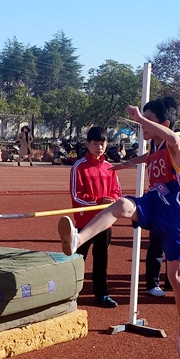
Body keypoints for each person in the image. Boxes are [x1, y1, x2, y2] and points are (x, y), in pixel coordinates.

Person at [57, 97, 180, 359]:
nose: (143, 126)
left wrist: (139, 118)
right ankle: (77, 239)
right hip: (154, 201)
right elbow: (151, 156)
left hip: (175, 214)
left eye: (149, 121)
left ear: (164, 124)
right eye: (143, 120)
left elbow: (173, 139)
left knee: (176, 278)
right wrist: (129, 163)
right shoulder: (155, 144)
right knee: (121, 204)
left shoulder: (175, 142)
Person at [67, 126, 122, 307]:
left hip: (105, 221)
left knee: (101, 259)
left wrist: (112, 199)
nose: (99, 147)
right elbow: (76, 195)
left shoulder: (110, 167)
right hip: (85, 222)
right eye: (95, 144)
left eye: (102, 144)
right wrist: (98, 201)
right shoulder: (79, 166)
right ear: (87, 144)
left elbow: (117, 191)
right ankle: (69, 293)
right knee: (78, 258)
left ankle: (101, 294)